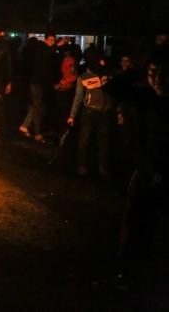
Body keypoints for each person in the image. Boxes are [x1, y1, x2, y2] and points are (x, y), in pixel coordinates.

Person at [105, 55, 169, 296]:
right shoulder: (147, 98)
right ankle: (128, 277)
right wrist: (139, 70)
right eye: (153, 74)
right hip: (146, 172)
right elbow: (112, 87)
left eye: (163, 74)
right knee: (134, 225)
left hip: (161, 174)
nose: (158, 79)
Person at [68, 48, 114, 178]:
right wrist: (72, 115)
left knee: (103, 141)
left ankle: (102, 166)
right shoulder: (84, 77)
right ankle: (82, 165)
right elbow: (78, 97)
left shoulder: (108, 74)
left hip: (105, 112)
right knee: (85, 140)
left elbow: (114, 93)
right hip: (89, 112)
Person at [19, 32, 58, 142]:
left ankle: (25, 126)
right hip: (37, 82)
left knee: (36, 106)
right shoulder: (42, 48)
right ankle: (37, 133)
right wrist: (56, 46)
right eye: (51, 39)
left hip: (38, 82)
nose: (52, 42)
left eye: (54, 40)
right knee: (38, 107)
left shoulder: (42, 49)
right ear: (46, 39)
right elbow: (46, 57)